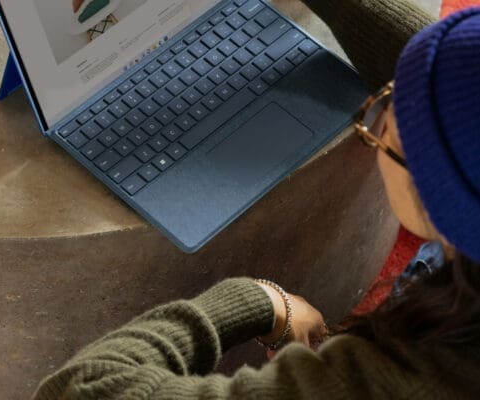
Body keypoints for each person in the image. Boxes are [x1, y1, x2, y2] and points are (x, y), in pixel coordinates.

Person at [33, 0, 480, 399]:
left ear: (430, 187)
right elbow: (459, 82)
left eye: (385, 118)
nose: (382, 113)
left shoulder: (398, 378)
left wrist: (254, 300)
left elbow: (78, 389)